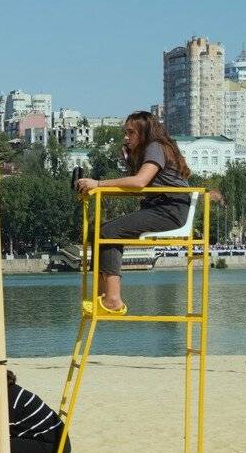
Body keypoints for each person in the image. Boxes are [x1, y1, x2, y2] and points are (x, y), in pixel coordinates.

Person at [74, 110, 193, 315]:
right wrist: (126, 162)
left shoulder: (156, 147)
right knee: (98, 231)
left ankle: (113, 300)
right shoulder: (150, 150)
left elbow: (139, 182)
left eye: (131, 132)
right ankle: (102, 294)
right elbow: (137, 184)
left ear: (145, 133)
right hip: (162, 207)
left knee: (110, 232)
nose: (126, 137)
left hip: (171, 209)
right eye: (125, 132)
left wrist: (98, 184)